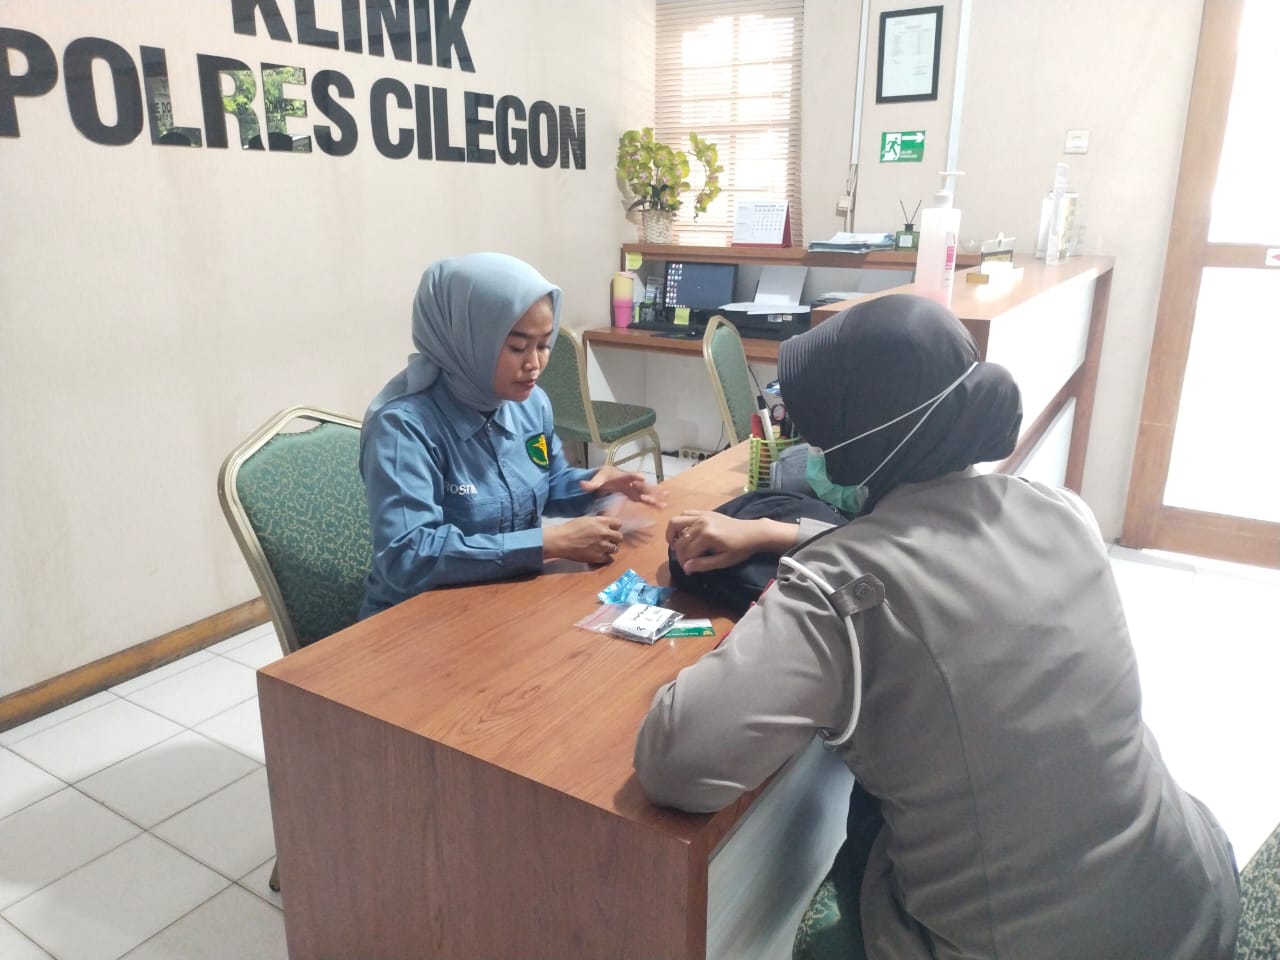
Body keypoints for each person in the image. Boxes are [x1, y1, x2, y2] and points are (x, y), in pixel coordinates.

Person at [635, 294, 1240, 960]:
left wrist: (796, 570)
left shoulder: (838, 590)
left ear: (857, 446)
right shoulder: (1061, 511)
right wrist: (777, 533)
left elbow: (676, 763)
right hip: (1189, 895)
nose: (808, 452)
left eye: (815, 436)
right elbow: (924, 549)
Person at [359, 252, 662, 619]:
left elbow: (547, 482)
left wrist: (596, 487)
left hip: (503, 604)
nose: (534, 364)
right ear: (466, 341)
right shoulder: (404, 427)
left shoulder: (530, 405)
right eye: (517, 347)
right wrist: (547, 543)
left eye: (544, 345)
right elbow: (408, 555)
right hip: (415, 621)